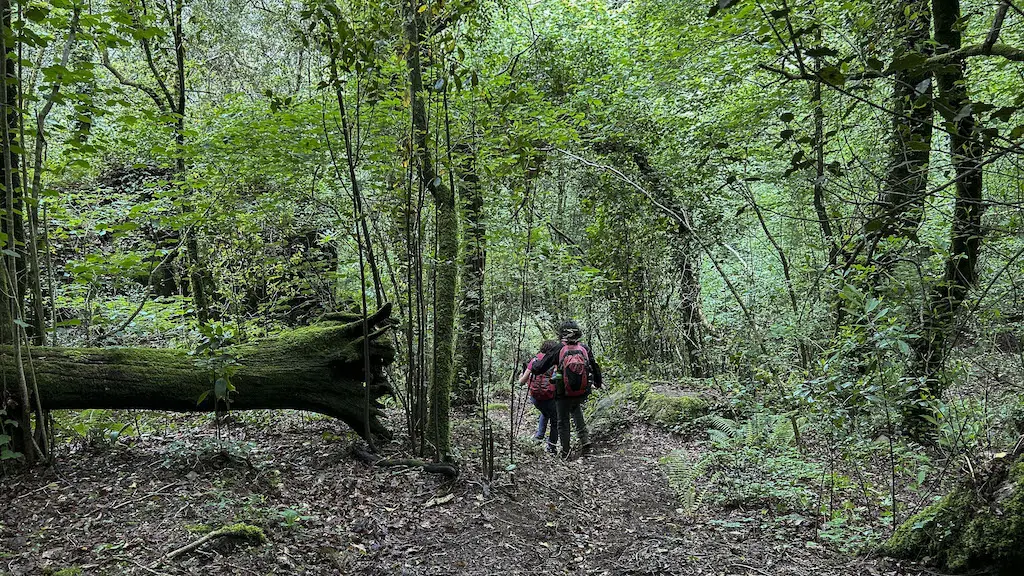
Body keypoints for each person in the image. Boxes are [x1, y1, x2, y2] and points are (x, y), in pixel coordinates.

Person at [529, 320, 603, 459]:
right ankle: (585, 441)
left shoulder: (558, 349)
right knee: (576, 409)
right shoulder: (584, 348)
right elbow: (594, 366)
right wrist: (598, 382)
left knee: (563, 421)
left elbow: (540, 367)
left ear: (561, 333)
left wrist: (533, 365)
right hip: (582, 391)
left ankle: (566, 452)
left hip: (563, 392)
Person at [519, 340, 560, 454]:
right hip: (549, 397)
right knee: (555, 420)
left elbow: (521, 382)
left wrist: (521, 375)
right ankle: (551, 447)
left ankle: (538, 437)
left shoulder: (534, 360)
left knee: (545, 412)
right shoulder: (554, 362)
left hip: (535, 398)